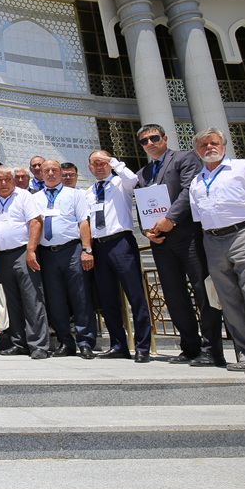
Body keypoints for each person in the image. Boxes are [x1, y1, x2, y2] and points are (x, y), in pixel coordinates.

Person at [188, 127, 245, 375]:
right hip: (213, 240)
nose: (209, 147)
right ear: (197, 152)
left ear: (224, 146)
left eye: (214, 143)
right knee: (228, 301)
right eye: (203, 145)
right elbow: (200, 217)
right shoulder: (197, 182)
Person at [136, 123, 224, 367]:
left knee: (202, 292)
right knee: (174, 294)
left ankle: (212, 349)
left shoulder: (185, 159)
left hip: (187, 235)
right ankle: (190, 346)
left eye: (154, 138)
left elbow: (188, 191)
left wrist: (170, 219)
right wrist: (147, 230)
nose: (150, 143)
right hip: (161, 241)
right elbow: (143, 205)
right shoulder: (143, 173)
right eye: (144, 141)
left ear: (164, 138)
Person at [85, 150, 152, 362]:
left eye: (102, 162)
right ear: (89, 167)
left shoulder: (121, 184)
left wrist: (114, 162)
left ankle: (142, 347)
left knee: (135, 296)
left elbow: (133, 179)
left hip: (120, 242)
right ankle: (118, 345)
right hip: (99, 246)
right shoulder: (89, 192)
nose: (99, 166)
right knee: (108, 299)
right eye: (94, 163)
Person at [32, 160, 96, 359]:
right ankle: (65, 342)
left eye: (54, 170)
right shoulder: (35, 198)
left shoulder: (75, 194)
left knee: (80, 296)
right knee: (55, 299)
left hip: (72, 251)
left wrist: (87, 250)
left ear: (61, 173)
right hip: (47, 253)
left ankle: (85, 341)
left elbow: (83, 222)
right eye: (46, 171)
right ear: (41, 174)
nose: (50, 174)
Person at [0, 166, 50, 359]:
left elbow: (36, 222)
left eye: (7, 179)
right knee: (10, 301)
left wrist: (31, 250)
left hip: (23, 253)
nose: (3, 183)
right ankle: (18, 342)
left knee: (32, 299)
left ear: (14, 180)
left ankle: (38, 344)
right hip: (1, 256)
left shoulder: (24, 196)